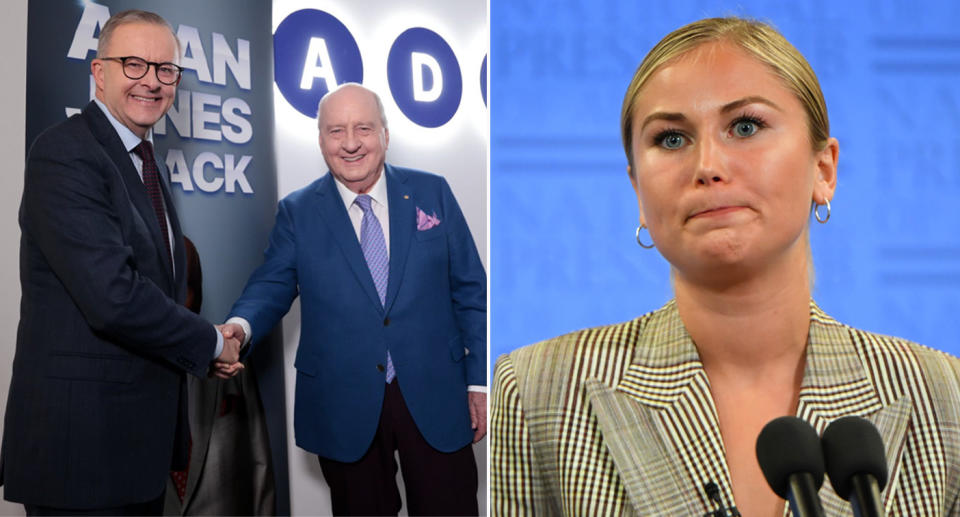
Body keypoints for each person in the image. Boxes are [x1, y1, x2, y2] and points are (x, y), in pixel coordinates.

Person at [490, 16, 960, 517]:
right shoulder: (539, 390)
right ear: (638, 194)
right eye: (671, 138)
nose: (707, 165)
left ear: (823, 170)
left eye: (745, 126)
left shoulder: (941, 393)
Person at [1, 10, 241, 516]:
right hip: (82, 453)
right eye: (134, 64)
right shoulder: (66, 153)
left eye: (165, 69)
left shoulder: (141, 160)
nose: (151, 81)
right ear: (99, 72)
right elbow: (113, 298)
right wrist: (213, 342)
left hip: (133, 448)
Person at [218, 83, 487, 516]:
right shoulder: (298, 211)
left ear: (385, 133)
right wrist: (240, 327)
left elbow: (472, 291)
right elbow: (270, 285)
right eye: (335, 130)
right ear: (320, 139)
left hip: (436, 393)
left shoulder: (432, 192)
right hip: (343, 400)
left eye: (363, 128)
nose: (350, 143)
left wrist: (478, 381)